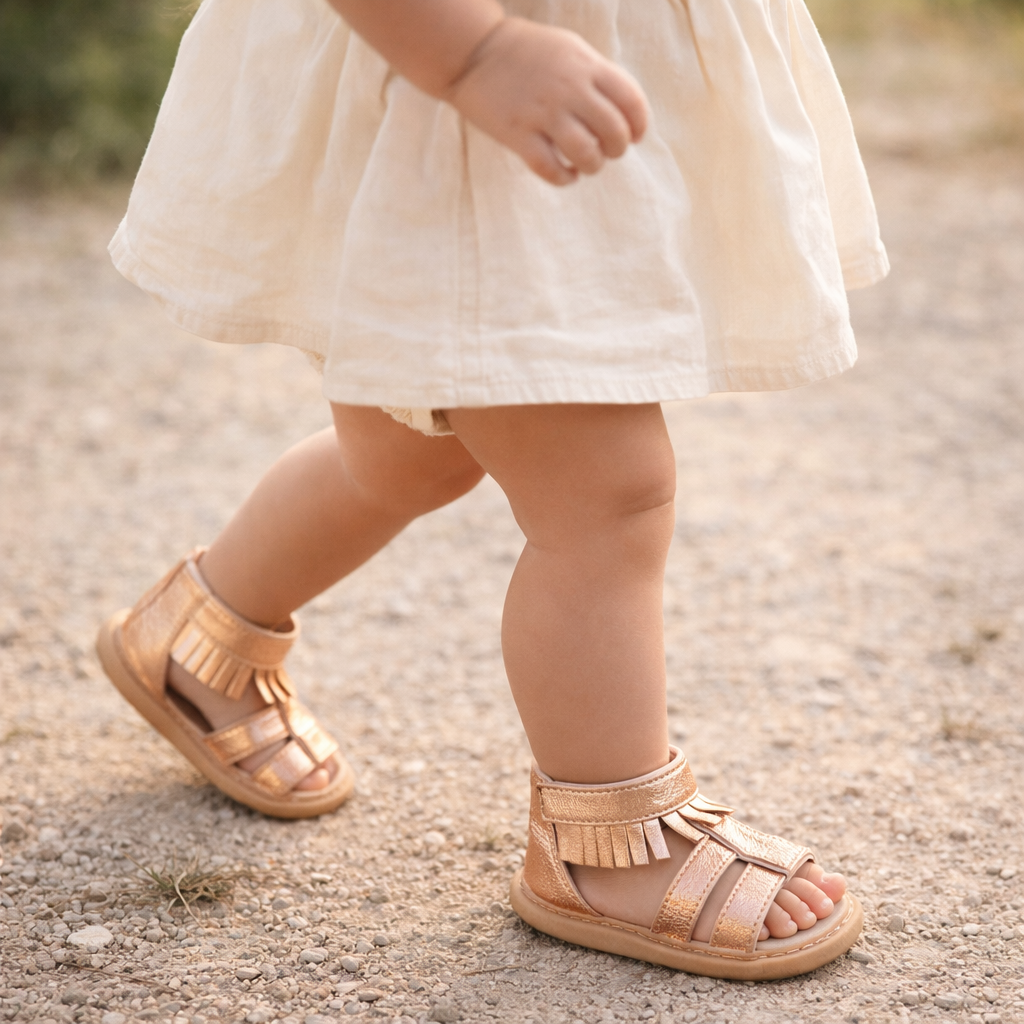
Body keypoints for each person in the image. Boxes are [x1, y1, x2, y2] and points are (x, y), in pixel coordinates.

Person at [97, 0, 889, 979]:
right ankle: (605, 844)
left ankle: (199, 635)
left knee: (407, 455)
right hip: (463, 86)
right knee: (606, 497)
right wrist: (475, 53)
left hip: (547, 87)